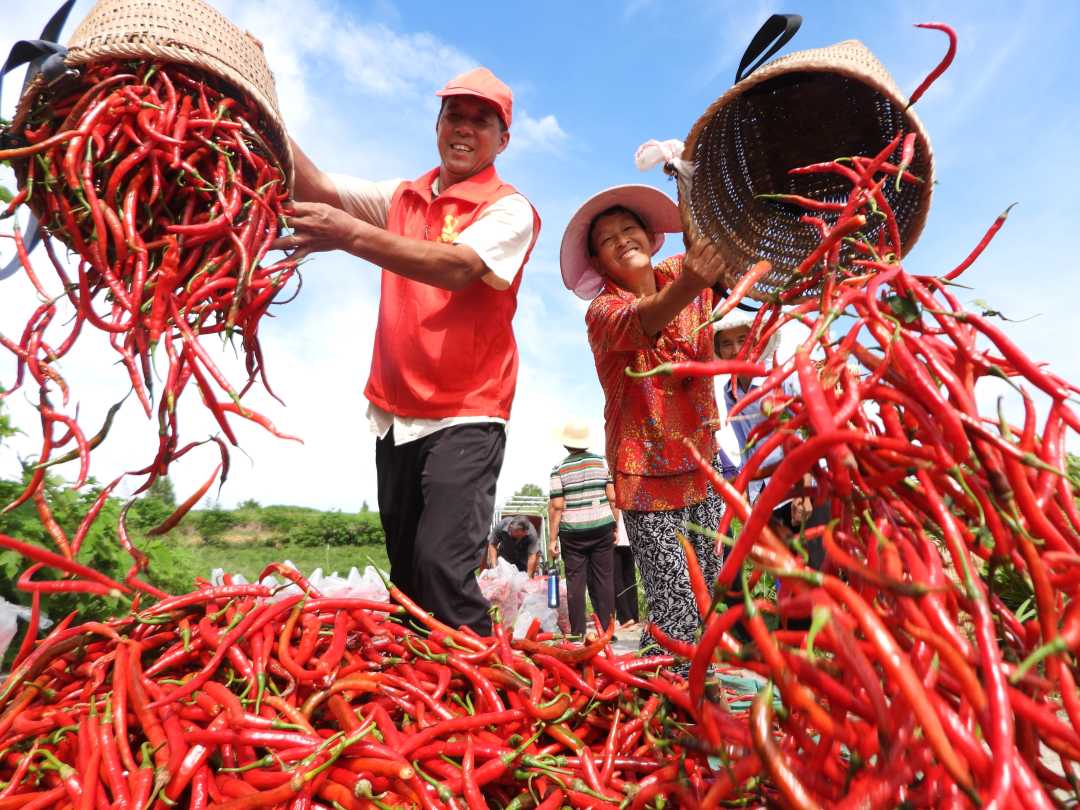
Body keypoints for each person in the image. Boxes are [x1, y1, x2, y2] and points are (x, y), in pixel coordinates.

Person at [272, 67, 541, 635]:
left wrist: (348, 235)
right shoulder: (404, 198)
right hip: (395, 413)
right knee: (408, 580)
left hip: (468, 411)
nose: (465, 129)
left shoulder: (508, 209)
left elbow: (459, 267)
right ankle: (431, 702)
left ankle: (488, 701)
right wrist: (254, 94)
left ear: (503, 139)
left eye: (481, 121)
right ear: (438, 124)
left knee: (442, 568)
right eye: (455, 116)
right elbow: (315, 186)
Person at [559, 184, 730, 653]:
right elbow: (646, 319)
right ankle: (670, 699)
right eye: (607, 240)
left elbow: (716, 248)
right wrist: (693, 284)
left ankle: (705, 686)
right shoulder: (603, 310)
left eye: (628, 229)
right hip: (644, 474)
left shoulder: (679, 269)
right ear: (598, 264)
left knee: (714, 594)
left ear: (652, 236)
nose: (621, 240)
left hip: (703, 464)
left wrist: (689, 180)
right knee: (674, 603)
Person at [547, 420, 617, 637]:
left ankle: (577, 633)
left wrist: (552, 540)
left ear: (565, 444)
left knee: (575, 582)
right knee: (604, 578)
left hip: (572, 533)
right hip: (602, 526)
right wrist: (615, 526)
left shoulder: (558, 469)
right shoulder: (602, 463)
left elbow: (557, 507)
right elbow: (613, 497)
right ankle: (606, 631)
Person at [612, 513, 640, 629]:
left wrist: (615, 528)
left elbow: (613, 503)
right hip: (630, 534)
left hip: (617, 535)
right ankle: (634, 616)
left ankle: (625, 617)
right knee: (630, 577)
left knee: (615, 578)